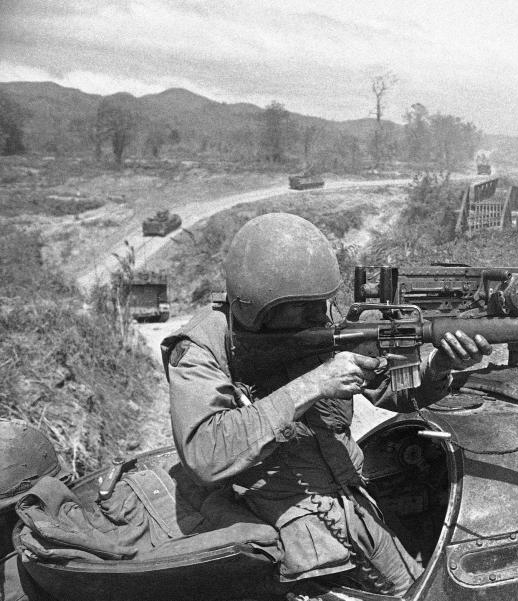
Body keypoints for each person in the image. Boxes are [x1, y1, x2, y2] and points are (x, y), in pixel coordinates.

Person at [161, 213, 491, 595]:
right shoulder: (203, 348)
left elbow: (389, 388)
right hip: (281, 532)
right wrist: (312, 384)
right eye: (304, 307)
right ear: (260, 308)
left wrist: (438, 368)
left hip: (352, 505)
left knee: (421, 588)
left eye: (322, 303)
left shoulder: (318, 319)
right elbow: (205, 453)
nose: (320, 315)